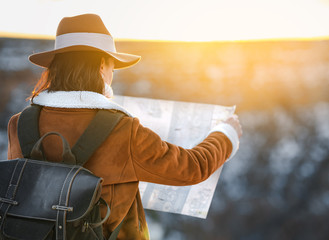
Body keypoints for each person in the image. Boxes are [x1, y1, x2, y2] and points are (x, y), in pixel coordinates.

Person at [7, 14, 242, 239]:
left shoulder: (19, 124)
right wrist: (226, 134)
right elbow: (193, 167)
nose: (112, 74)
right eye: (112, 66)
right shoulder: (123, 131)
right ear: (101, 66)